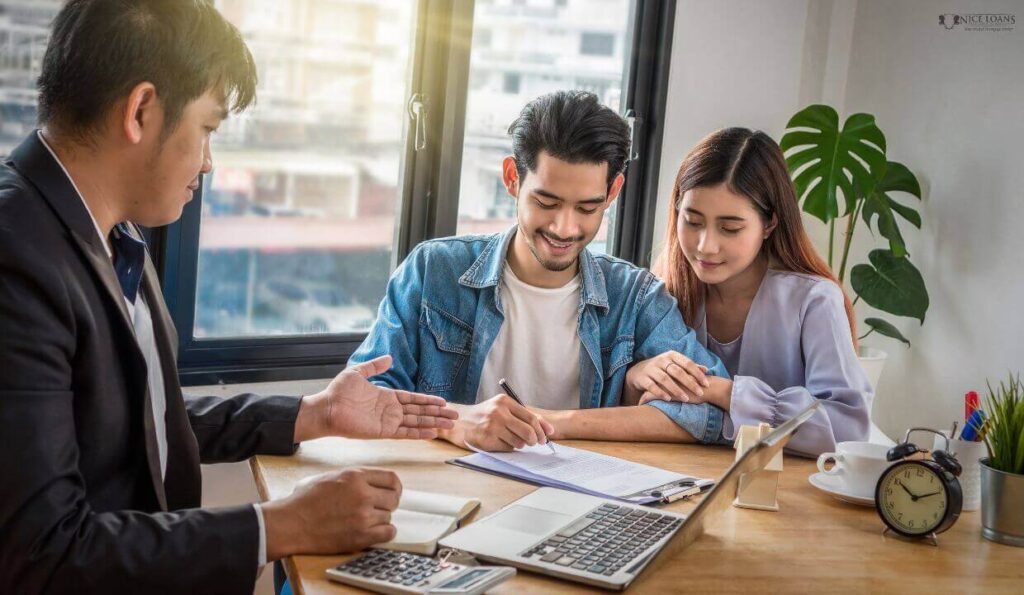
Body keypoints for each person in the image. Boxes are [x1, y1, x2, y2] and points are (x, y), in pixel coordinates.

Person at [0, 1, 456, 593]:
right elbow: (42, 555)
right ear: (140, 111)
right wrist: (278, 526)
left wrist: (311, 414)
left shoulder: (113, 234)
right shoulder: (18, 257)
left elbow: (138, 419)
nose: (209, 163)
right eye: (208, 128)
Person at [348, 90, 730, 452]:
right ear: (513, 178)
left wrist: (556, 422)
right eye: (546, 202)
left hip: (578, 504)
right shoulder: (434, 271)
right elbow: (365, 396)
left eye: (587, 208)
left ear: (612, 193)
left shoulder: (636, 296)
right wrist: (457, 423)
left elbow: (713, 411)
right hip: (454, 492)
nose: (564, 228)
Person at [626, 127, 872, 455]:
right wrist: (636, 376)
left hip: (784, 492)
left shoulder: (814, 301)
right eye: (693, 221)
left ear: (769, 224)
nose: (706, 246)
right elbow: (635, 409)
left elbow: (848, 428)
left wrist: (723, 392)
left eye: (730, 228)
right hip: (678, 478)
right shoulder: (665, 292)